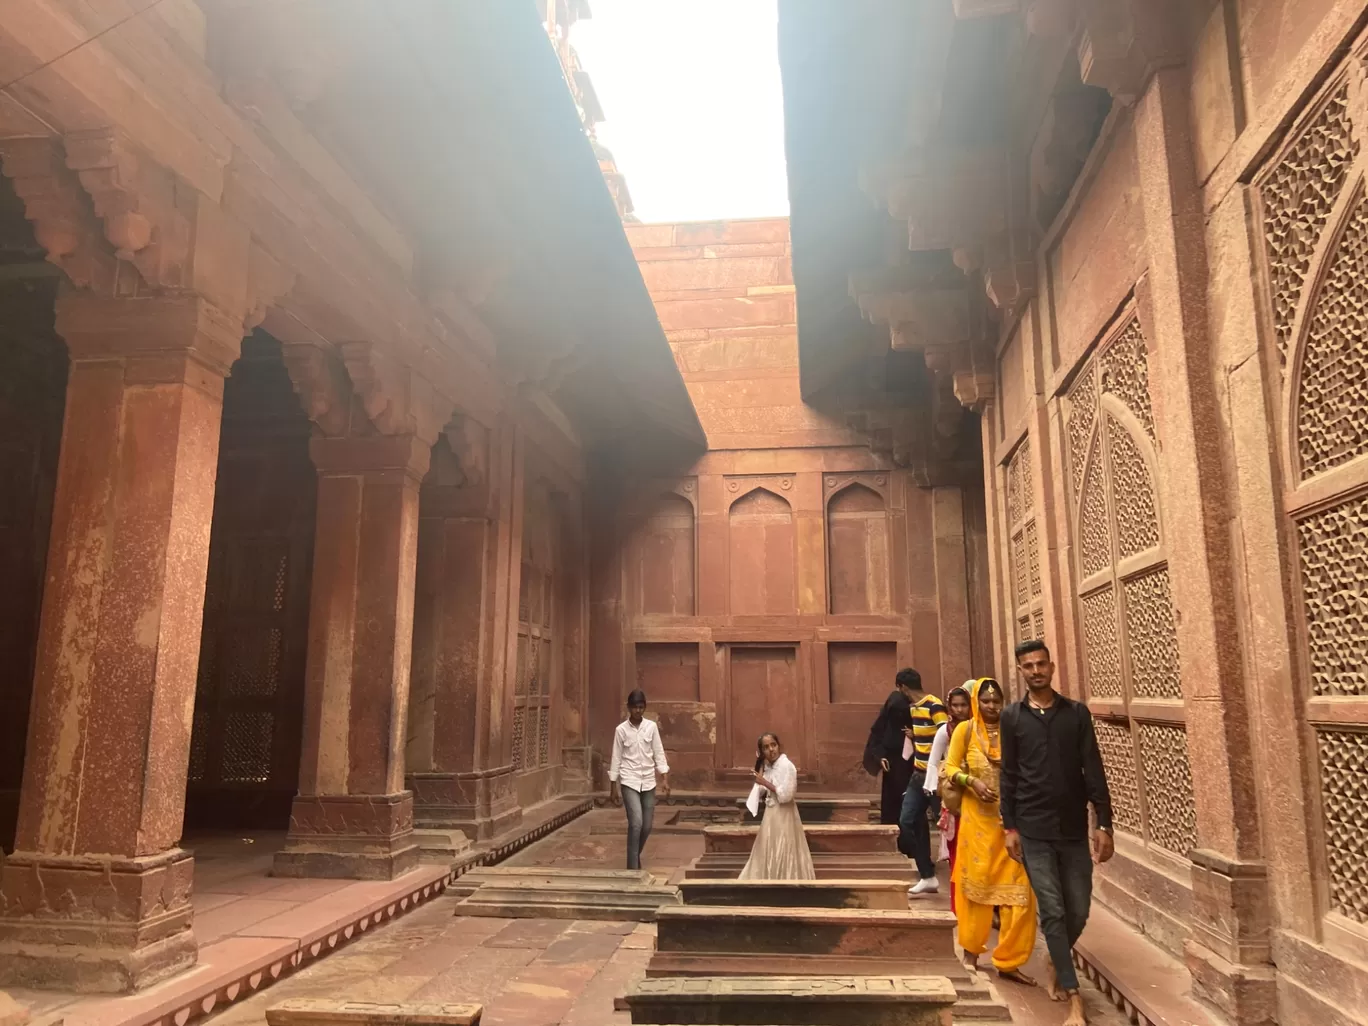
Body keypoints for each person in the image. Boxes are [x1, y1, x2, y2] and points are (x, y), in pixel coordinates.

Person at [1001, 639, 1114, 1026]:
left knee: (1078, 908)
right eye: (1028, 665)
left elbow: (1092, 768)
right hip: (1032, 829)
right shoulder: (1012, 717)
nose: (1035, 670)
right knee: (1051, 909)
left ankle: (1056, 956)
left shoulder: (1076, 714)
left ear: (1051, 667)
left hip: (1071, 828)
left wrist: (1104, 822)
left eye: (1041, 664)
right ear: (1021, 671)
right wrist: (1010, 826)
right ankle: (1075, 1000)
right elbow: (1009, 776)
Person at [945, 678, 1037, 985]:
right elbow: (949, 768)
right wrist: (971, 782)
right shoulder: (965, 730)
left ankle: (1009, 960)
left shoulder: (1013, 730)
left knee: (1021, 894)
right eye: (985, 700)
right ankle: (970, 952)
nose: (992, 706)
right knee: (976, 890)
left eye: (996, 700)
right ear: (976, 702)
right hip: (977, 823)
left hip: (1011, 824)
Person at [896, 668, 948, 895]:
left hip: (935, 777)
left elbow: (947, 735)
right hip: (918, 776)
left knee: (947, 828)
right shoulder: (914, 709)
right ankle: (927, 875)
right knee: (907, 821)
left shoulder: (934, 705)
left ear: (903, 687)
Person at [608, 688, 671, 871]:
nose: (638, 710)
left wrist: (664, 779)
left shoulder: (650, 727)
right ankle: (632, 868)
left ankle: (634, 857)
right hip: (629, 780)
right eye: (635, 707)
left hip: (648, 781)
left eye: (641, 707)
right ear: (629, 708)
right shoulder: (621, 730)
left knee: (647, 826)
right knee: (636, 823)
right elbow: (616, 757)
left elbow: (658, 753)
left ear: (645, 708)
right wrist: (614, 786)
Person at [739, 733, 816, 880]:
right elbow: (759, 789)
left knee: (784, 847)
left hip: (785, 814)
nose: (771, 750)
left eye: (773, 745)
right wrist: (760, 765)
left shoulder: (787, 766)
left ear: (778, 746)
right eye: (766, 747)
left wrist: (765, 783)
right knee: (768, 847)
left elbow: (787, 795)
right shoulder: (769, 767)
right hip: (771, 814)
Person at [925, 684, 972, 911]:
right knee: (958, 853)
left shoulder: (979, 728)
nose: (960, 709)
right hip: (954, 797)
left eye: (964, 704)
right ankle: (959, 906)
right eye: (956, 705)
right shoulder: (946, 730)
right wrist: (934, 789)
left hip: (980, 797)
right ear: (949, 707)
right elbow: (934, 761)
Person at [864, 676, 914, 825]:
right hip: (892, 763)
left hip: (911, 765)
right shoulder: (892, 709)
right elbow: (877, 734)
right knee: (892, 806)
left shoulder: (914, 712)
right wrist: (880, 756)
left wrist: (915, 735)